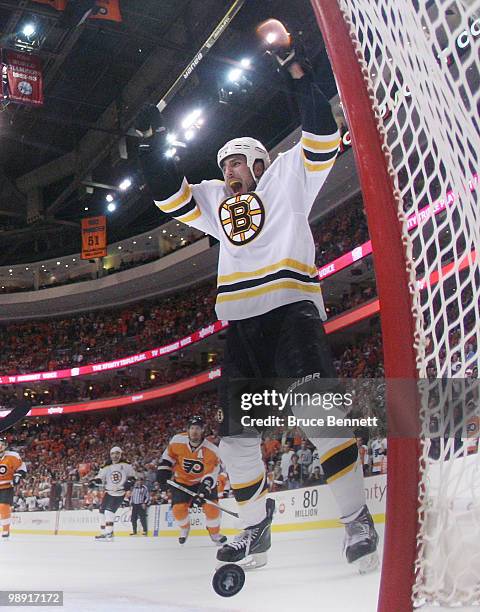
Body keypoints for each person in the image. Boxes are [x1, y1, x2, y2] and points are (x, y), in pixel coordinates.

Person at [137, 18, 378, 572]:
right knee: (238, 444)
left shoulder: (288, 176)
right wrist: (149, 147)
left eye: (236, 161)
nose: (228, 171)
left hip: (291, 314)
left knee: (321, 418)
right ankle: (254, 531)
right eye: (223, 165)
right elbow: (167, 195)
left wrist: (294, 67)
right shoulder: (219, 204)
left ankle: (354, 519)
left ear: (259, 161)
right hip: (242, 328)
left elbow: (320, 132)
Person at [156, 416, 227, 546]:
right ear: (188, 430)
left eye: (198, 428)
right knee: (178, 510)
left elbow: (211, 473)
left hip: (202, 482)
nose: (194, 431)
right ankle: (185, 528)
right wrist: (163, 470)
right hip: (181, 481)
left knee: (212, 509)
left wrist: (204, 490)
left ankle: (215, 534)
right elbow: (168, 456)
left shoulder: (212, 450)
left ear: (203, 431)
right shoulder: (177, 440)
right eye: (192, 428)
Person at [89, 446, 136, 541]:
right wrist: (94, 482)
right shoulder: (106, 466)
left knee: (109, 512)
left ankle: (109, 533)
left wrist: (130, 482)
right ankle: (104, 533)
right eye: (113, 454)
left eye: (117, 453)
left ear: (120, 454)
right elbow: (100, 478)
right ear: (110, 455)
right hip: (109, 492)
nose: (115, 456)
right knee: (102, 512)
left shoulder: (126, 465)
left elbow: (133, 477)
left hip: (119, 493)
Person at [0, 436, 26, 538]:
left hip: (6, 486)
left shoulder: (12, 456)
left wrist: (18, 475)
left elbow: (21, 467)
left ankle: (6, 530)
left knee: (3, 507)